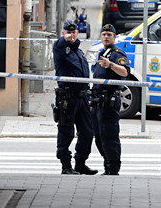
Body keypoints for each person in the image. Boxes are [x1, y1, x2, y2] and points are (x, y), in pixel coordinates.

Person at [52, 20, 98, 175]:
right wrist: (65, 39)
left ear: (78, 33)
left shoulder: (78, 52)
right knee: (66, 132)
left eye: (74, 32)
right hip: (68, 98)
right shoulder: (60, 49)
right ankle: (66, 165)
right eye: (68, 32)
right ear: (63, 33)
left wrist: (89, 96)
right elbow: (58, 45)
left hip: (82, 98)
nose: (71, 35)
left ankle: (80, 163)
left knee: (87, 132)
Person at [90, 24, 130, 176]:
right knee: (99, 136)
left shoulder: (117, 54)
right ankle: (107, 163)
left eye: (109, 35)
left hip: (110, 101)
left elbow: (125, 72)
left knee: (109, 135)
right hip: (98, 101)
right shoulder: (102, 52)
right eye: (104, 34)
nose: (106, 37)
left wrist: (111, 65)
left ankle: (113, 168)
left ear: (114, 37)